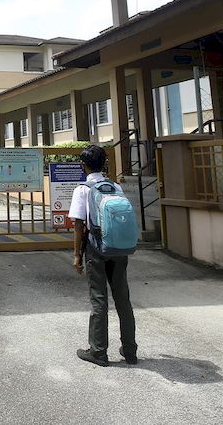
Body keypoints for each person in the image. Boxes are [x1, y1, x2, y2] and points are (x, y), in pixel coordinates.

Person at [68, 145, 138, 367]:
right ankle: (130, 351)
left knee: (99, 299)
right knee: (123, 299)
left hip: (96, 249)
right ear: (104, 164)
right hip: (118, 248)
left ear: (83, 165)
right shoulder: (115, 186)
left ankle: (98, 351)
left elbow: (79, 226)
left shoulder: (83, 189)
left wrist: (77, 256)